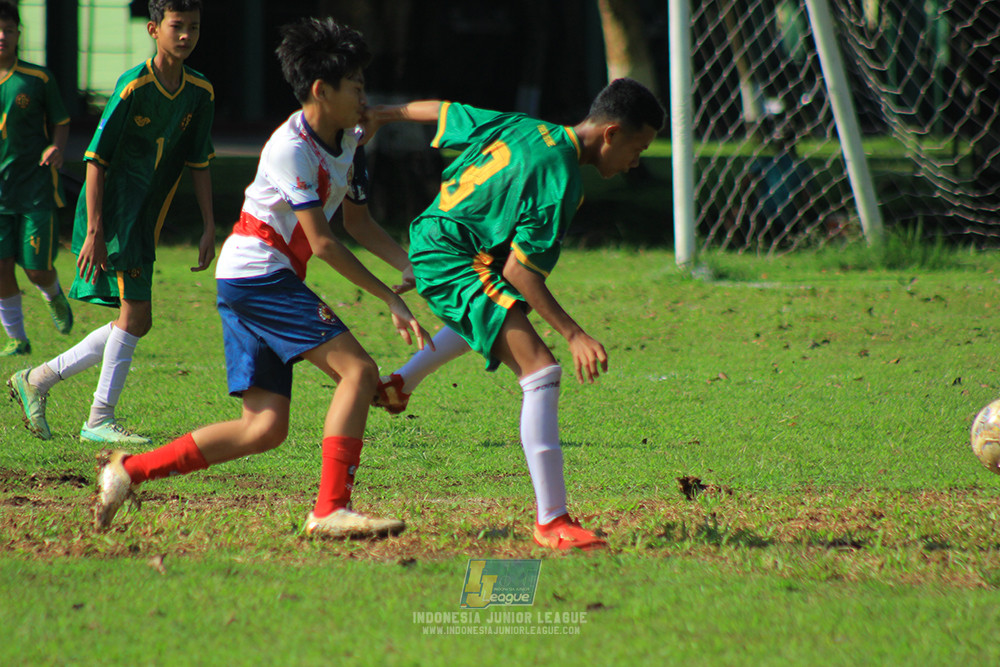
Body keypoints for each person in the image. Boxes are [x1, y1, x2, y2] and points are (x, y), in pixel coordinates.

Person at [93, 17, 432, 539]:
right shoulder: (291, 146)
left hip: (252, 279)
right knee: (359, 373)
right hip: (258, 276)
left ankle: (128, 472)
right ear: (321, 90)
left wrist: (406, 264)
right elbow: (322, 241)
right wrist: (390, 297)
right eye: (357, 85)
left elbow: (359, 222)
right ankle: (330, 510)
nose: (365, 94)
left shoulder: (349, 139)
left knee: (264, 428)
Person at [369, 78, 665, 550]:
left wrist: (383, 112)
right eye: (638, 147)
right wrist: (574, 334)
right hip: (454, 257)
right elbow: (523, 274)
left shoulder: (527, 127)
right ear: (610, 133)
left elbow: (445, 111)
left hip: (438, 238)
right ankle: (553, 521)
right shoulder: (560, 179)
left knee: (498, 311)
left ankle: (400, 384)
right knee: (541, 370)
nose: (637, 160)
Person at [8, 0, 216, 444]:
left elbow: (200, 161)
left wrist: (209, 225)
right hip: (115, 214)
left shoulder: (200, 91)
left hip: (147, 216)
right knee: (136, 313)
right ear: (153, 29)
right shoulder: (132, 86)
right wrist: (96, 231)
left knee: (137, 320)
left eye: (194, 27)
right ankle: (98, 419)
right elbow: (96, 162)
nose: (186, 36)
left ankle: (38, 379)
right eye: (177, 26)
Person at [0, 0, 73, 356]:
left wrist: (55, 148)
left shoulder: (38, 78)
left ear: (18, 34)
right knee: (0, 266)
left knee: (35, 269)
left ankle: (53, 293)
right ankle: (18, 338)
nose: (2, 37)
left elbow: (61, 121)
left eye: (8, 30)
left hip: (34, 189)